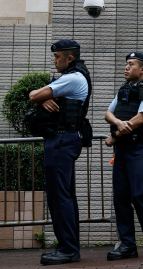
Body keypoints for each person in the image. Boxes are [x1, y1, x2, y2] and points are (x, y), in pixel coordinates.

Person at [28, 40, 91, 265]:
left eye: (57, 57)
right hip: (63, 139)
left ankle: (67, 249)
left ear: (70, 58)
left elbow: (33, 95)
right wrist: (43, 98)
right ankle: (68, 246)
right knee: (64, 196)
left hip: (62, 140)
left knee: (59, 197)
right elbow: (37, 95)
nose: (54, 61)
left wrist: (41, 98)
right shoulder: (71, 77)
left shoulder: (72, 78)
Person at [104, 52, 143, 260]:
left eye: (131, 64)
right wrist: (118, 123)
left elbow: (140, 119)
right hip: (122, 150)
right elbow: (108, 113)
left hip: (140, 147)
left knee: (139, 196)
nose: (126, 67)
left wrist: (115, 135)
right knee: (120, 198)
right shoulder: (124, 89)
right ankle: (128, 245)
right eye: (126, 64)